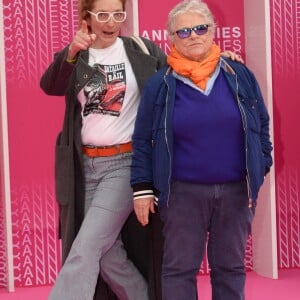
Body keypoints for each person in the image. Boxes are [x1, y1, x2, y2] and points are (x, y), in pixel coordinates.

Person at [40, 0, 243, 299]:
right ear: (88, 17)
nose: (111, 22)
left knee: (85, 249)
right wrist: (70, 53)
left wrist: (215, 62)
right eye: (103, 15)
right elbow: (50, 85)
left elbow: (181, 72)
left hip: (123, 164)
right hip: (83, 169)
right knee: (108, 255)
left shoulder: (141, 50)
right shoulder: (78, 55)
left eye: (118, 14)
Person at [130, 0, 273, 299]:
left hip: (236, 191)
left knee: (231, 267)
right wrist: (142, 188)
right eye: (183, 32)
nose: (193, 36)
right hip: (182, 194)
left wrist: (262, 163)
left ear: (212, 31)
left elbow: (260, 121)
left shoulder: (239, 74)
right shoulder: (160, 85)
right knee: (179, 269)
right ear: (170, 38)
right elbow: (143, 139)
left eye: (200, 28)